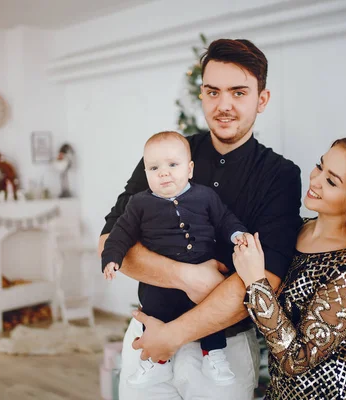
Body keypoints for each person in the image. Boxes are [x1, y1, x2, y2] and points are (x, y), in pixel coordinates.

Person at [98, 38, 303, 400]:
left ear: (262, 99)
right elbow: (108, 241)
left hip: (225, 347)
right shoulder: (166, 153)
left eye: (239, 92)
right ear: (202, 95)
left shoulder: (280, 175)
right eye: (213, 92)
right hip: (150, 331)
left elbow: (267, 279)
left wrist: (174, 336)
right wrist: (187, 276)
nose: (223, 105)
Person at [232, 134, 346, 400]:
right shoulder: (295, 228)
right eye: (320, 166)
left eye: (331, 181)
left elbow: (296, 360)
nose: (314, 180)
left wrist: (256, 283)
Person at [101, 131, 248, 387]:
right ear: (145, 173)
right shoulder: (139, 204)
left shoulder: (205, 196)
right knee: (154, 310)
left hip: (204, 270)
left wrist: (237, 234)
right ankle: (155, 364)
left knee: (209, 311)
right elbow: (121, 232)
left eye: (172, 165)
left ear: (189, 169)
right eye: (154, 168)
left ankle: (214, 355)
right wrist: (112, 257)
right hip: (162, 282)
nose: (164, 173)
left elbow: (224, 219)